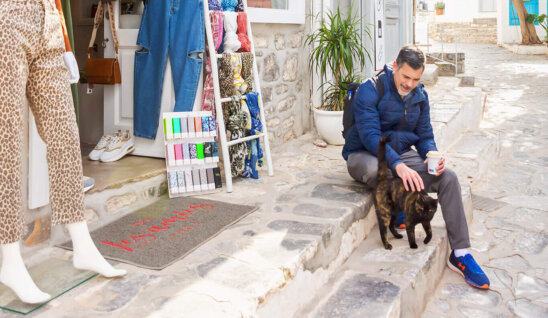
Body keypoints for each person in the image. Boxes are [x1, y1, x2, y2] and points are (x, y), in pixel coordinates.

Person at [0, 0, 125, 304]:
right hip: (7, 17)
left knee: (65, 136)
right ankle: (9, 258)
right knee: (7, 142)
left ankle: (82, 244)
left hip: (49, 20)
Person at [342, 45, 490, 289]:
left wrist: (431, 155)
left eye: (415, 79)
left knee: (448, 178)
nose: (409, 84)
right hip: (363, 153)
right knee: (379, 170)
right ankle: (400, 206)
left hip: (398, 153)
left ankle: (461, 254)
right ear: (395, 67)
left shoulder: (420, 94)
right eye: (405, 77)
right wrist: (399, 164)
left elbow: (424, 135)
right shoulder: (370, 89)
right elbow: (370, 135)